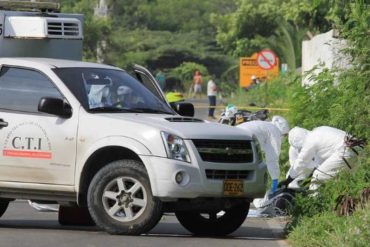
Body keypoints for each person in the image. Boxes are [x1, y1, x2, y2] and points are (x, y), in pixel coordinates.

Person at [279, 126, 365, 191]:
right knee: (347, 178)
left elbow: (301, 162)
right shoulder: (319, 130)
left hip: (344, 151)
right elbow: (323, 163)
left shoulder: (310, 142)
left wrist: (288, 180)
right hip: (358, 147)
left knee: (317, 176)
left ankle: (314, 205)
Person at [237, 115, 290, 193]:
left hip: (235, 133)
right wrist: (275, 180)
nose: (284, 137)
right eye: (285, 135)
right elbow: (272, 158)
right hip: (244, 139)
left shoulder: (266, 125)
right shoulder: (275, 132)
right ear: (282, 131)